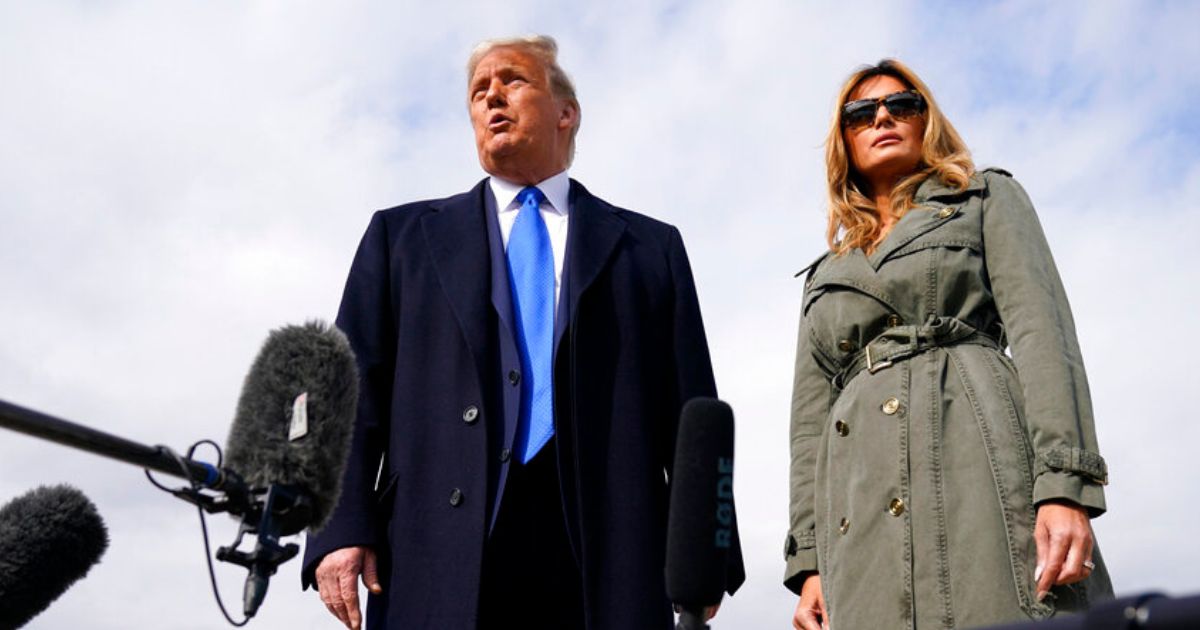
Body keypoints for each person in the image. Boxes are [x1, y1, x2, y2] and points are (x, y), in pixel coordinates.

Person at [301, 35, 744, 630]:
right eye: (478, 91)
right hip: (437, 553)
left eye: (512, 81)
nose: (490, 98)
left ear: (566, 112)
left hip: (606, 559)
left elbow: (692, 414)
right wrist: (339, 527)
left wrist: (706, 556)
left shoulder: (649, 248)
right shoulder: (400, 238)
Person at [784, 59, 1112, 630]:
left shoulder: (985, 200)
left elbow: (1042, 336)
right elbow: (809, 426)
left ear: (925, 119)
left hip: (975, 466)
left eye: (902, 104)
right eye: (861, 113)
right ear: (844, 140)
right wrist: (810, 563)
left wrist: (1065, 488)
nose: (883, 116)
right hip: (858, 517)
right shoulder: (823, 274)